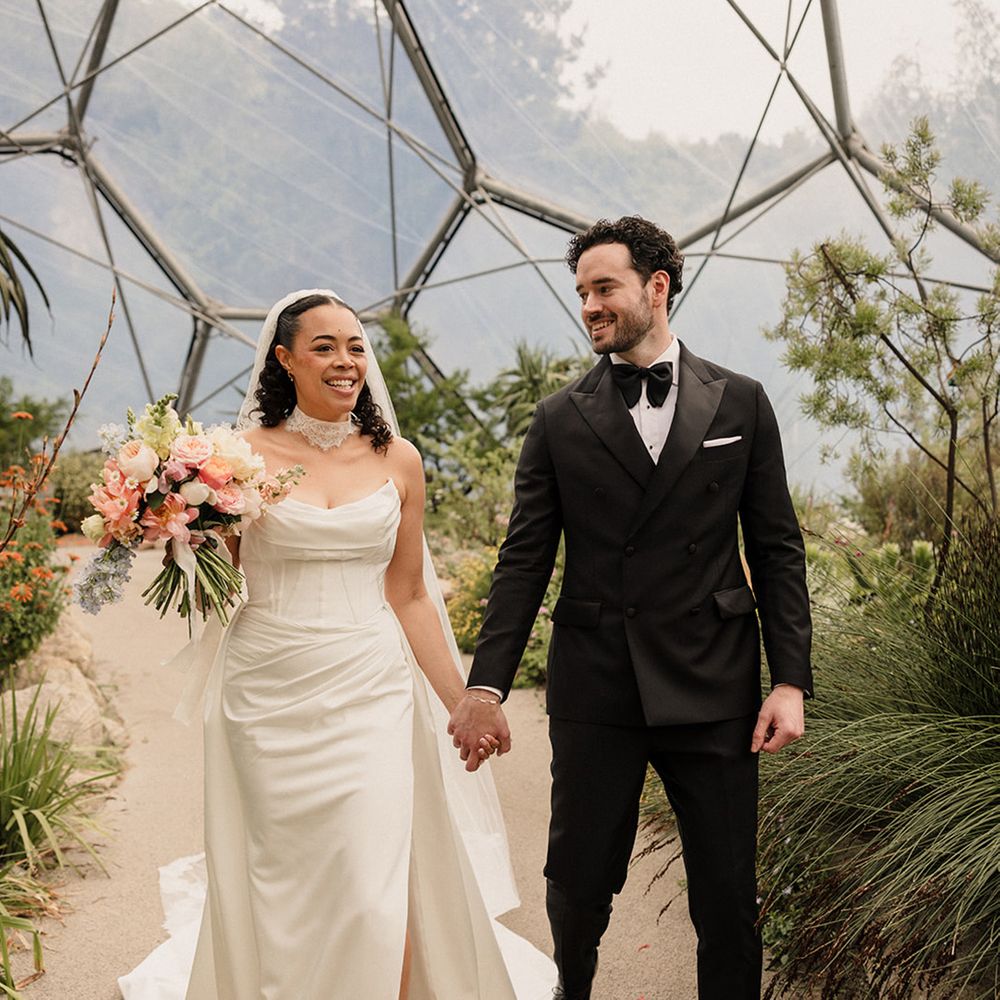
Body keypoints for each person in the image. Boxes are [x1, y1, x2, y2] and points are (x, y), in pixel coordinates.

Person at [119, 289, 555, 1000]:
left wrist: (467, 700)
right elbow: (215, 591)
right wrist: (177, 537)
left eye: (355, 346)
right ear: (285, 360)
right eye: (324, 347)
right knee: (278, 881)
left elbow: (410, 593)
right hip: (264, 689)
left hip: (370, 689)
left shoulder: (400, 460)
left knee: (370, 880)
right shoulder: (233, 461)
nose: (345, 360)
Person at [448, 218, 814, 1000]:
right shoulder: (557, 419)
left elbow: (777, 547)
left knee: (726, 896)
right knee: (577, 888)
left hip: (713, 686)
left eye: (603, 287)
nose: (589, 305)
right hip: (599, 688)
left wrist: (790, 681)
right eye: (581, 292)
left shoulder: (741, 403)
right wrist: (486, 687)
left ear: (657, 287)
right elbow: (523, 562)